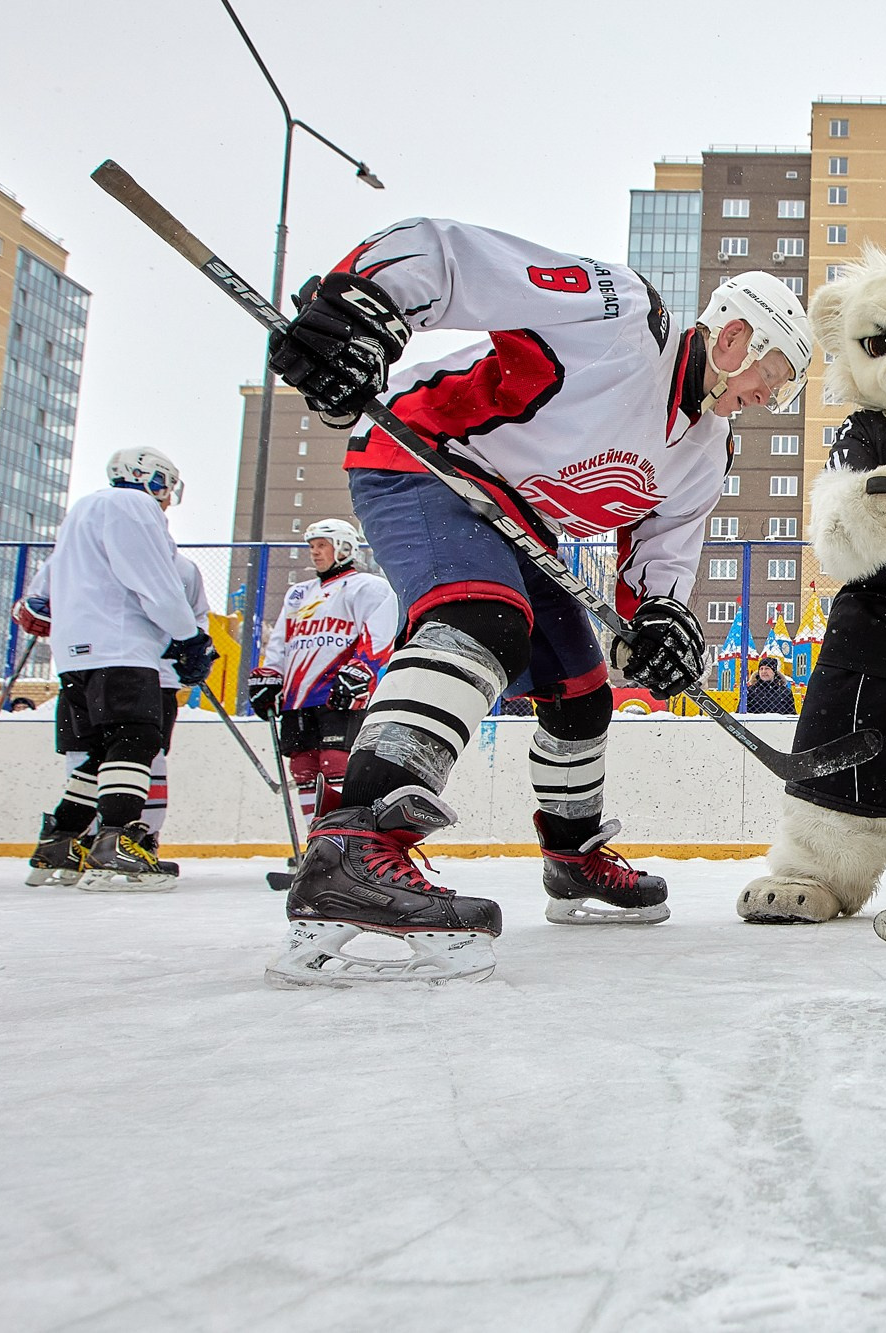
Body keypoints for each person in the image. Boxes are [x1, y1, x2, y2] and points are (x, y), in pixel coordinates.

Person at [263, 217, 812, 984]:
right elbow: (456, 258)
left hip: (519, 522)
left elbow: (659, 557)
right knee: (480, 621)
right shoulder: (620, 317)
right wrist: (366, 300)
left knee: (583, 693)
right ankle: (356, 845)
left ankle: (571, 854)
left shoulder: (707, 449)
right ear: (736, 338)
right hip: (426, 459)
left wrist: (659, 621)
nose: (772, 396)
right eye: (776, 372)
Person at [16, 448, 214, 890]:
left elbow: (39, 597)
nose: (166, 499)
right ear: (151, 479)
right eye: (165, 487)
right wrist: (189, 637)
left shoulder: (82, 510)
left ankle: (61, 842)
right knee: (135, 741)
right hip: (122, 647)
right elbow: (153, 580)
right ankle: (117, 846)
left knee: (99, 753)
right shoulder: (133, 506)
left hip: (75, 655)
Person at [248, 519, 399, 822]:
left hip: (340, 692)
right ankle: (313, 840)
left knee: (336, 763)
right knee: (303, 767)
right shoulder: (298, 593)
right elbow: (281, 640)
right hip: (297, 696)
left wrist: (361, 669)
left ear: (344, 547)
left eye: (322, 546)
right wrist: (270, 676)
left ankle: (336, 840)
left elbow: (380, 634)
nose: (315, 553)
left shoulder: (368, 586)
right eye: (312, 547)